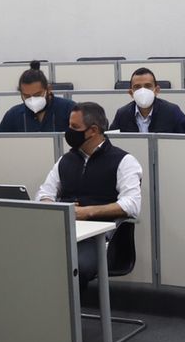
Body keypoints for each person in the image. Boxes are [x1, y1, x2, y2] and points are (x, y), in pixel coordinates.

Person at [37, 102, 142, 282]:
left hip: (100, 238)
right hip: (63, 232)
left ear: (93, 130)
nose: (69, 131)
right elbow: (44, 193)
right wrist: (53, 206)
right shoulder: (66, 160)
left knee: (71, 266)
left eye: (75, 127)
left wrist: (87, 212)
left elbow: (132, 204)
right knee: (31, 259)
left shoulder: (124, 161)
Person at [0, 62, 76, 133]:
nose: (32, 99)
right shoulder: (13, 115)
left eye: (37, 95)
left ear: (48, 89)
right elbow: (0, 141)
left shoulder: (69, 109)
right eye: (27, 96)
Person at [111, 68, 185, 134]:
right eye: (137, 87)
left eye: (148, 86)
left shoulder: (172, 112)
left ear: (156, 90)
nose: (143, 91)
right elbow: (111, 140)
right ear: (131, 93)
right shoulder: (122, 115)